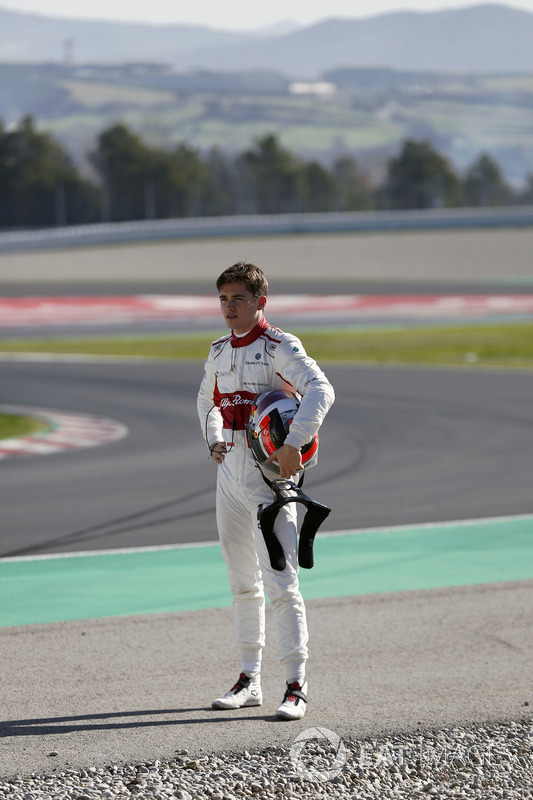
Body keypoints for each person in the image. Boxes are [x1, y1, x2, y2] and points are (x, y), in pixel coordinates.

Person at [197, 261, 335, 720]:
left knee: (281, 583)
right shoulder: (218, 350)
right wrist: (214, 435)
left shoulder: (280, 346)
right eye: (223, 299)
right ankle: (249, 679)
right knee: (241, 582)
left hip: (270, 477)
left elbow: (321, 388)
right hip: (228, 474)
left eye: (238, 298)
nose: (229, 307)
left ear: (260, 302)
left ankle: (296, 685)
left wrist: (295, 442)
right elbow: (208, 401)